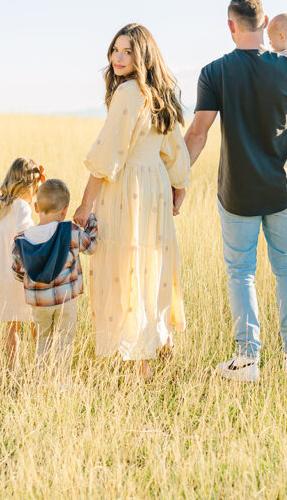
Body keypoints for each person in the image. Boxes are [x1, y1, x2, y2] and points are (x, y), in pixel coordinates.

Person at [182, 0, 287, 383]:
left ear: (231, 25)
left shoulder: (214, 72)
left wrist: (176, 179)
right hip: (283, 189)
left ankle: (247, 360)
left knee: (241, 273)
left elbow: (197, 133)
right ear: (265, 23)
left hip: (237, 193)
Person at [72, 23, 190, 381]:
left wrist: (85, 204)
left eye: (127, 52)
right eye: (115, 51)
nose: (118, 58)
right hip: (154, 183)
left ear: (142, 56)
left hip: (127, 187)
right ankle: (162, 342)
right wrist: (179, 186)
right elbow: (175, 150)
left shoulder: (127, 94)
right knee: (153, 262)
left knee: (128, 265)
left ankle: (142, 365)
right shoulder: (161, 93)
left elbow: (108, 155)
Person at [11, 179, 98, 378]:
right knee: (64, 340)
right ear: (65, 210)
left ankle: (40, 382)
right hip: (66, 299)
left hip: (39, 303)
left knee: (42, 340)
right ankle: (62, 382)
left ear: (35, 207)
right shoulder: (71, 232)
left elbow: (16, 270)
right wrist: (91, 220)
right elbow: (92, 246)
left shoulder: (22, 240)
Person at [0, 157, 43, 366]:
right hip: (19, 276)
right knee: (34, 321)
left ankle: (12, 368)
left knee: (12, 326)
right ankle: (40, 364)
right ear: (29, 186)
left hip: (0, 277)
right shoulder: (22, 207)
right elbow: (26, 236)